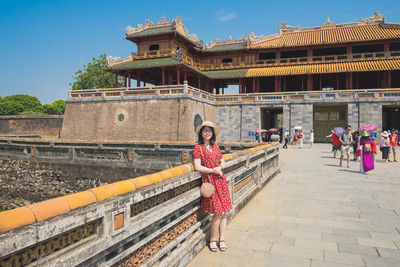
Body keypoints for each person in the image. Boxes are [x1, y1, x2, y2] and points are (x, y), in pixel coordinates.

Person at [193, 121, 232, 252]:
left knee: (224, 212)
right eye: (205, 130)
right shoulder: (198, 148)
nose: (207, 132)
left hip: (221, 181)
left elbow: (223, 161)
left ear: (212, 133)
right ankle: (212, 240)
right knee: (218, 212)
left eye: (210, 130)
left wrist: (220, 167)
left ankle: (222, 239)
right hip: (210, 182)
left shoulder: (215, 147)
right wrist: (213, 170)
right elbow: (198, 167)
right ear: (201, 133)